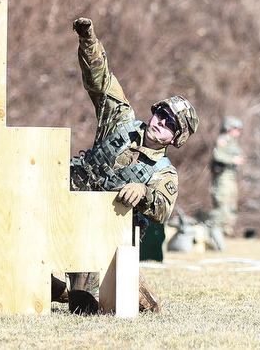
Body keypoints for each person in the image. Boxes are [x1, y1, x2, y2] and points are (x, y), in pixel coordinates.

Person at [53, 17, 199, 314]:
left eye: (171, 124)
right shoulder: (120, 120)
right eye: (162, 113)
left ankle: (117, 289)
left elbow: (163, 208)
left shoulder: (163, 172)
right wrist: (89, 41)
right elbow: (101, 80)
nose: (162, 122)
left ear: (176, 137)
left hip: (101, 236)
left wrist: (144, 192)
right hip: (64, 203)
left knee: (87, 307)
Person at [209, 116, 245, 238]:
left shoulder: (233, 142)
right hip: (223, 177)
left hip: (231, 177)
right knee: (222, 203)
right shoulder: (222, 140)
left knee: (231, 205)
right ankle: (216, 233)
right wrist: (232, 160)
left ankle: (226, 232)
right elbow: (217, 155)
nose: (238, 131)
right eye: (236, 128)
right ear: (229, 128)